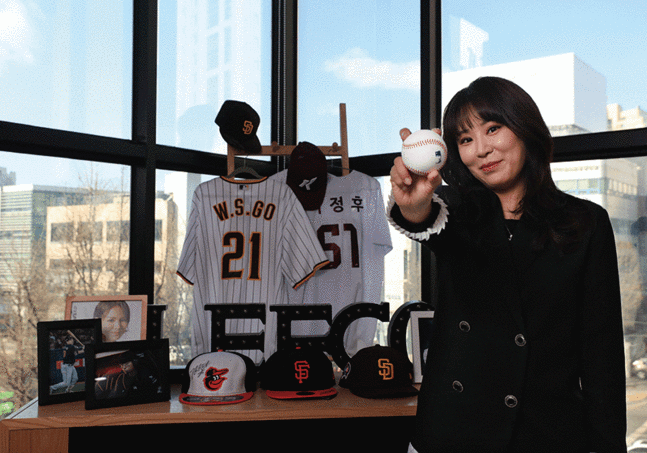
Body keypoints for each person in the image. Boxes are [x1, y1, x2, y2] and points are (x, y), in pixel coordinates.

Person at [388, 77, 627, 452]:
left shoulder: (584, 221)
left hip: (546, 433)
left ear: (524, 127)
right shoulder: (454, 211)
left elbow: (602, 354)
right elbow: (423, 220)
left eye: (492, 128)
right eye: (465, 139)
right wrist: (413, 205)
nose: (481, 150)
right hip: (452, 433)